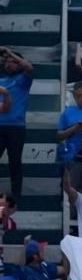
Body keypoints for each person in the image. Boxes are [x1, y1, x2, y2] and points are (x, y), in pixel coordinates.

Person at [0, 47, 32, 198]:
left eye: (12, 62)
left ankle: (16, 195)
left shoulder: (23, 80)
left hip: (16, 127)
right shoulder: (1, 80)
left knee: (15, 161)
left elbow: (28, 67)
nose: (9, 64)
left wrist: (9, 52)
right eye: (6, 62)